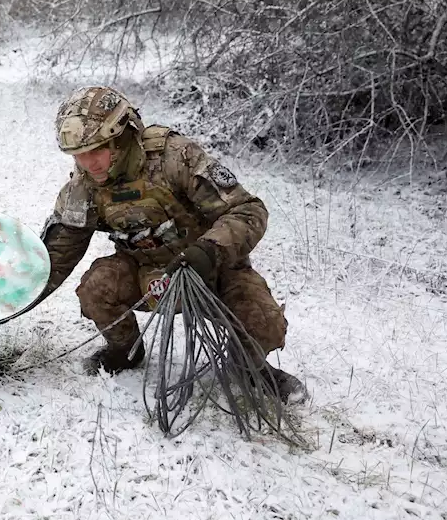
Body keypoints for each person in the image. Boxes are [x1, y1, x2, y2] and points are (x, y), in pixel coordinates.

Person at [38, 85, 307, 403]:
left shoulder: (173, 157)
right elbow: (56, 256)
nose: (88, 163)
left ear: (122, 136)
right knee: (97, 287)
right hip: (147, 274)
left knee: (263, 322)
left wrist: (208, 251)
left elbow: (248, 210)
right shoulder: (82, 187)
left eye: (97, 150)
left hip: (211, 267)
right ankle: (125, 352)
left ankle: (250, 368)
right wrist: (1, 304)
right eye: (79, 156)